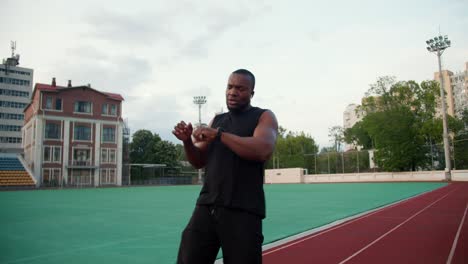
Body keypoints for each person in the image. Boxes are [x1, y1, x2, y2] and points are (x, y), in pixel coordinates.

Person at [173, 69, 278, 264]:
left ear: (251, 93)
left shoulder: (263, 116)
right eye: (230, 87)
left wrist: (219, 136)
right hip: (207, 206)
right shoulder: (218, 120)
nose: (232, 92)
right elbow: (198, 161)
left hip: (243, 211)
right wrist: (187, 141)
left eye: (240, 88)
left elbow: (262, 149)